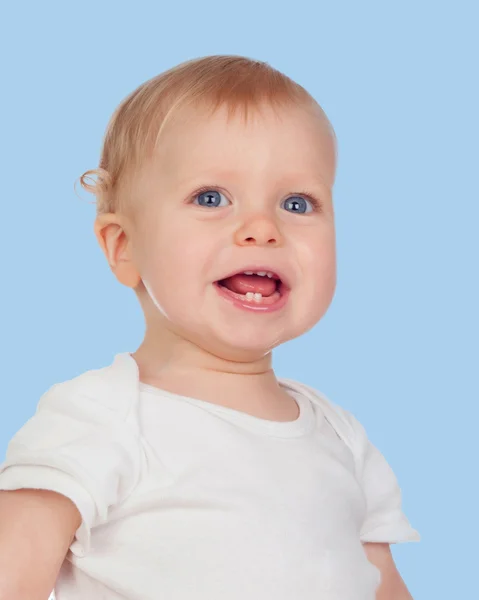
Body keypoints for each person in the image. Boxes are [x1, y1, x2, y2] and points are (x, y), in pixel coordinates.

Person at [0, 55, 420, 600]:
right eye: (211, 198)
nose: (263, 228)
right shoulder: (101, 417)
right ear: (123, 247)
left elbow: (381, 585)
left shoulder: (341, 438)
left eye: (297, 203)